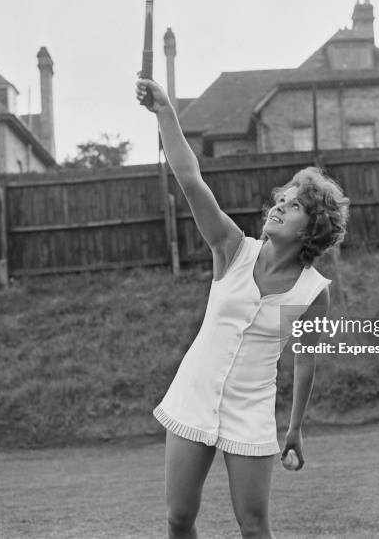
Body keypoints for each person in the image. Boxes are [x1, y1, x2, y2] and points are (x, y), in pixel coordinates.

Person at [136, 78, 349, 539]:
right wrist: (166, 112)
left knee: (253, 527)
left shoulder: (315, 291)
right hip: (194, 392)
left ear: (312, 230)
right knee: (178, 518)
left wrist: (294, 428)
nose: (278, 207)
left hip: (251, 407)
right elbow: (190, 179)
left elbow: (305, 358)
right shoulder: (232, 248)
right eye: (281, 200)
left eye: (293, 208)